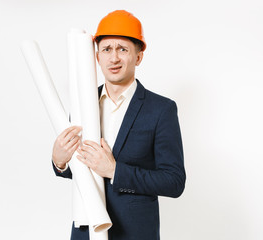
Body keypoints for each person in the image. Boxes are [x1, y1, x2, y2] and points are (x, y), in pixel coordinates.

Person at [52, 10, 186, 240]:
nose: (113, 58)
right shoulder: (83, 105)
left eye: (123, 49)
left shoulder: (161, 109)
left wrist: (115, 171)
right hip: (85, 230)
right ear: (97, 57)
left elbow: (174, 182)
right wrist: (60, 161)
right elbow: (82, 168)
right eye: (107, 49)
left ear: (138, 56)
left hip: (134, 232)